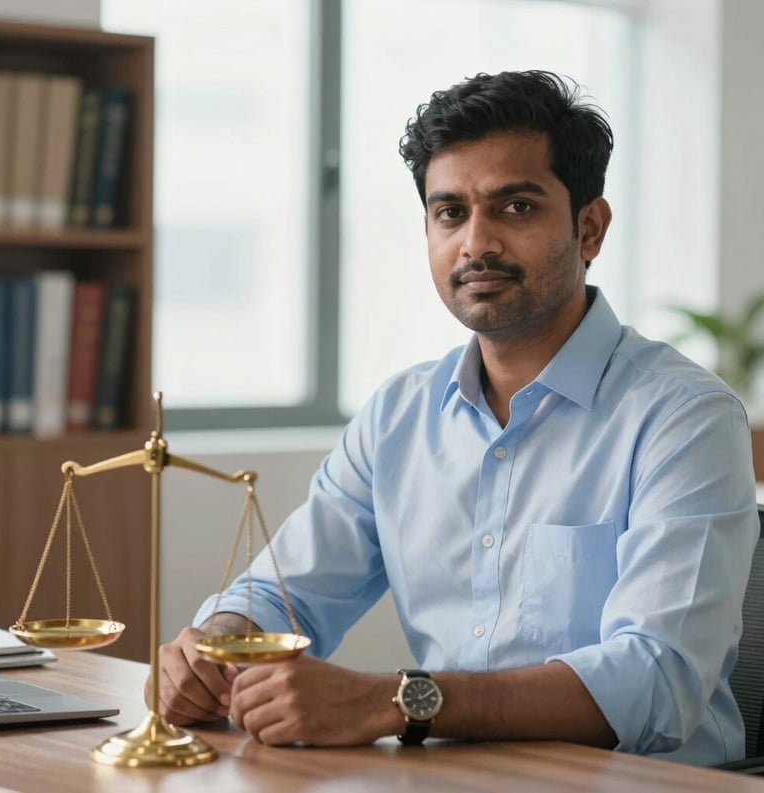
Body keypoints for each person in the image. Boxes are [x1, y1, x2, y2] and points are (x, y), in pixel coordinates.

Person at [148, 70, 759, 764]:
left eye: (516, 208)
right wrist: (213, 640)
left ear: (590, 227)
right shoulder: (398, 417)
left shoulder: (685, 418)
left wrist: (397, 699)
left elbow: (656, 678)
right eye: (450, 213)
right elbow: (285, 594)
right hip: (452, 775)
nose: (476, 243)